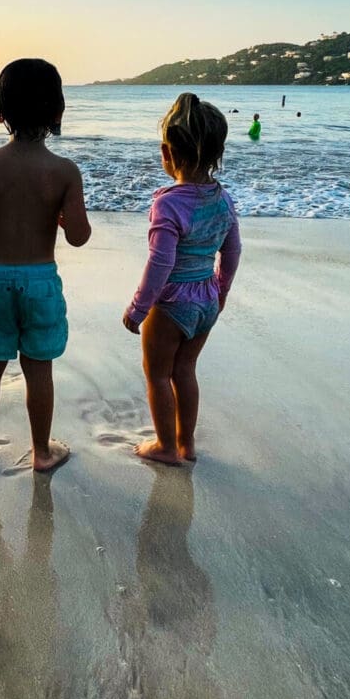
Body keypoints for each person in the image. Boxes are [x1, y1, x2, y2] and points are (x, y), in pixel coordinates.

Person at [0, 58, 91, 473]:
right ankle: (42, 452)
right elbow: (79, 236)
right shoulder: (64, 171)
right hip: (40, 282)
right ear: (58, 112)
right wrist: (65, 219)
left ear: (0, 112)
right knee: (38, 368)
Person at [123, 93, 241, 465]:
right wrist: (220, 292)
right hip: (206, 298)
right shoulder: (223, 199)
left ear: (167, 152)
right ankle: (186, 443)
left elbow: (161, 262)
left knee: (158, 375)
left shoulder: (169, 203)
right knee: (185, 370)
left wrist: (138, 309)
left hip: (173, 302)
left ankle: (166, 447)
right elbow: (233, 250)